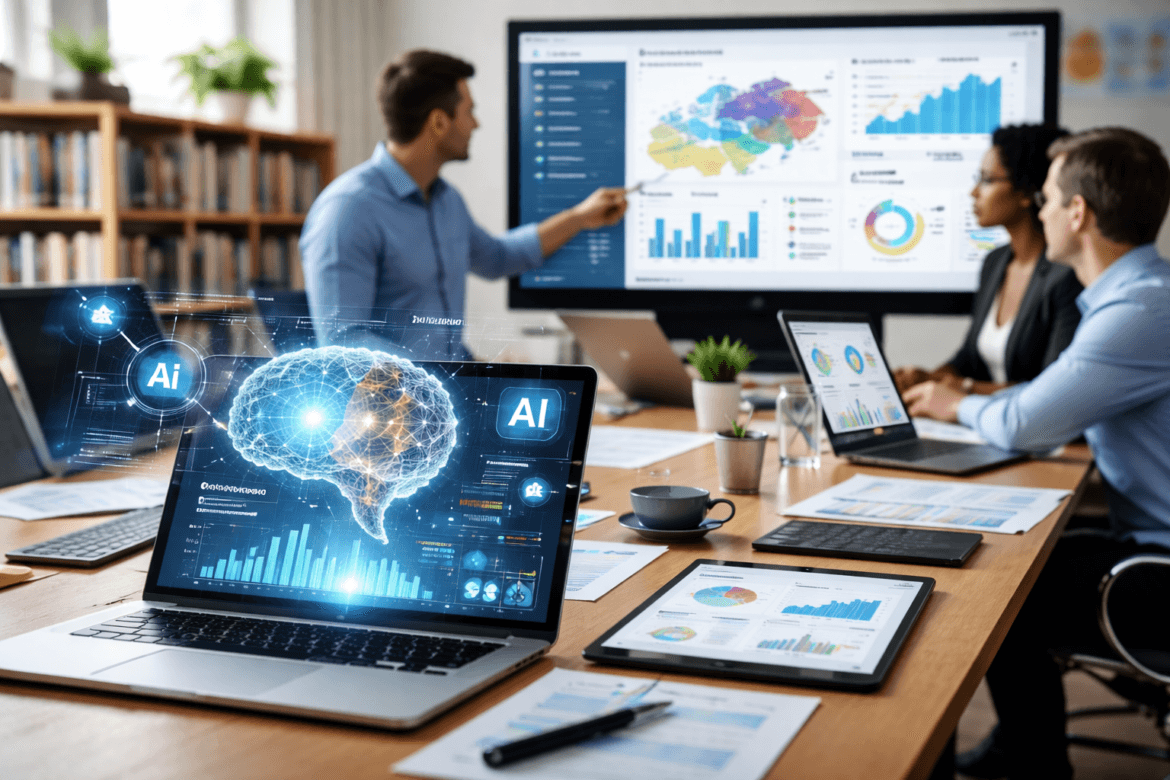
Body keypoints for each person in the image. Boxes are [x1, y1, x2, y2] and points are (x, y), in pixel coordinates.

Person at [905, 127, 1170, 780]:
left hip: (1158, 569)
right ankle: (1026, 753)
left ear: (1078, 213)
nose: (1042, 210)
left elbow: (1027, 424)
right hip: (1142, 541)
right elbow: (1045, 398)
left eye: (1049, 198)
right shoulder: (1139, 295)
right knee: (1010, 558)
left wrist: (954, 404)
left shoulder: (1138, 310)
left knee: (993, 585)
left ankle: (1033, 764)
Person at [300, 49, 627, 359]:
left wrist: (580, 218)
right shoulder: (347, 211)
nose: (475, 124)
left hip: (446, 390)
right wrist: (444, 377)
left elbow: (498, 258)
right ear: (439, 122)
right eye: (469, 111)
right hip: (394, 400)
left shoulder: (446, 201)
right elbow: (343, 342)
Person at [894, 124, 1081, 397]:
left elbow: (1052, 393)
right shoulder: (995, 262)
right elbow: (970, 359)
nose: (974, 192)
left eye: (986, 180)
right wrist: (926, 378)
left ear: (1025, 191)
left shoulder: (1067, 275)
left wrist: (965, 389)